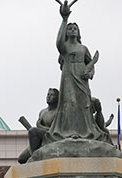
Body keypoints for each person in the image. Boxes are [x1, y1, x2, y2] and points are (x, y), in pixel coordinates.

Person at [43, 0, 111, 145]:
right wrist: (64, 19)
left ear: (79, 32)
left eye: (75, 28)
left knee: (83, 104)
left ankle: (85, 132)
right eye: (70, 28)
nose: (72, 30)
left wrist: (90, 73)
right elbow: (58, 43)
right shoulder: (65, 46)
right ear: (67, 32)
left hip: (82, 80)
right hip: (68, 78)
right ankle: (70, 132)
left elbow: (91, 64)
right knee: (70, 103)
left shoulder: (83, 48)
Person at [17, 88, 59, 163]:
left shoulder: (58, 113)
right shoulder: (42, 112)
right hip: (41, 139)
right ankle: (35, 154)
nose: (49, 97)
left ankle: (35, 157)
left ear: (58, 98)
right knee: (21, 159)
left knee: (33, 130)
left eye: (52, 95)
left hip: (51, 137)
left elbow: (55, 130)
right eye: (48, 94)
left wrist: (39, 127)